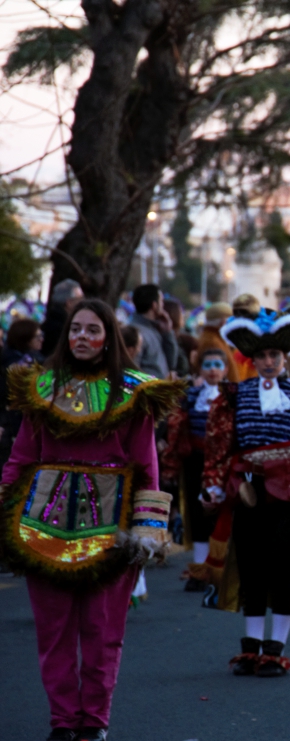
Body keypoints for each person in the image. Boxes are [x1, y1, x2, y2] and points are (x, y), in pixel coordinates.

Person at [0, 298, 182, 741]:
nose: (81, 336)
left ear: (108, 339)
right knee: (53, 631)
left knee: (102, 632)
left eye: (92, 329)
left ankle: (94, 721)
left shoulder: (133, 393)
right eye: (75, 329)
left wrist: (148, 529)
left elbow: (147, 467)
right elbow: (22, 456)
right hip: (42, 527)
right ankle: (63, 721)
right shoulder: (41, 387)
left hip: (111, 530)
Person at [201, 305, 290, 677]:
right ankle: (250, 647)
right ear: (252, 358)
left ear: (285, 357)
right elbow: (219, 444)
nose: (267, 361)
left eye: (274, 355)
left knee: (281, 566)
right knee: (251, 565)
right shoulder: (236, 395)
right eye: (261, 355)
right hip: (247, 489)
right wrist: (212, 484)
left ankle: (275, 649)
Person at [161, 348, 229, 591]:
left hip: (222, 465)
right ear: (200, 370)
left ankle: (220, 569)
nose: (212, 369)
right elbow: (174, 426)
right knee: (197, 514)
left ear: (226, 370)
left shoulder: (233, 397)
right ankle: (200, 569)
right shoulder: (190, 396)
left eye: (217, 365)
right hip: (194, 463)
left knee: (219, 515)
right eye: (208, 365)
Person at [0, 318, 45, 466]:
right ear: (25, 339)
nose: (41, 339)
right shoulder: (19, 364)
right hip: (12, 428)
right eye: (37, 336)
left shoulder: (36, 361)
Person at [129, 284, 179, 379]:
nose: (163, 305)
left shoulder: (154, 329)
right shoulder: (135, 332)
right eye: (161, 301)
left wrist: (168, 333)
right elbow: (132, 370)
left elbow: (171, 363)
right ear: (154, 305)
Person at [40, 278, 84, 358]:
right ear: (69, 303)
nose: (83, 303)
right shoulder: (62, 328)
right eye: (80, 299)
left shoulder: (50, 322)